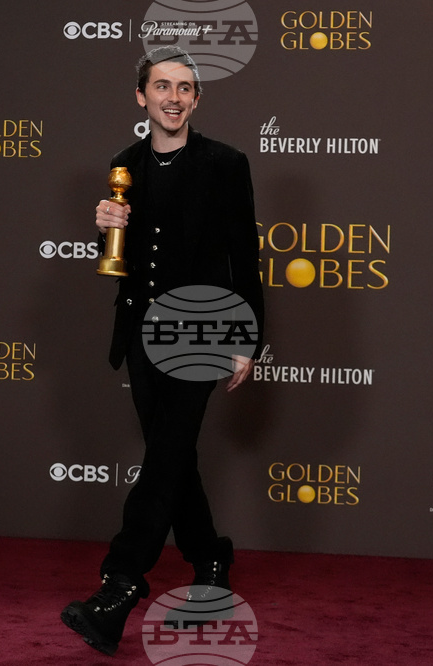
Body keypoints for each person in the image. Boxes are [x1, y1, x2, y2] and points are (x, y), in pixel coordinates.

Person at [60, 46, 264, 656]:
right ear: (141, 97)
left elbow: (244, 258)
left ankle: (121, 583)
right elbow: (126, 257)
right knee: (171, 457)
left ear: (196, 99)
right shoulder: (125, 164)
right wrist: (105, 227)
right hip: (141, 332)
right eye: (161, 86)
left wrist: (246, 337)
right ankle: (212, 557)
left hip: (201, 331)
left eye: (184, 88)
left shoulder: (226, 164)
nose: (173, 97)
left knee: (167, 453)